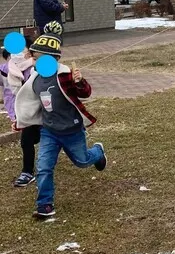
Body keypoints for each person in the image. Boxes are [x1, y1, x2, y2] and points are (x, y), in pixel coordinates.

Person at [15, 24, 106, 221]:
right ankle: (45, 205)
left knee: (82, 161)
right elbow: (29, 101)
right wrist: (20, 120)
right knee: (44, 167)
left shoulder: (64, 77)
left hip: (72, 130)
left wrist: (80, 81)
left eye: (41, 58)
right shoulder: (34, 78)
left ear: (55, 59)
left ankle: (98, 152)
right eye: (35, 57)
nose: (36, 61)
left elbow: (85, 93)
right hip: (49, 132)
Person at [0, 30, 39, 188]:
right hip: (20, 113)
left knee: (35, 137)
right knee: (28, 139)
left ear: (29, 53)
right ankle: (28, 172)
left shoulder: (36, 68)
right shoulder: (4, 70)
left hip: (39, 109)